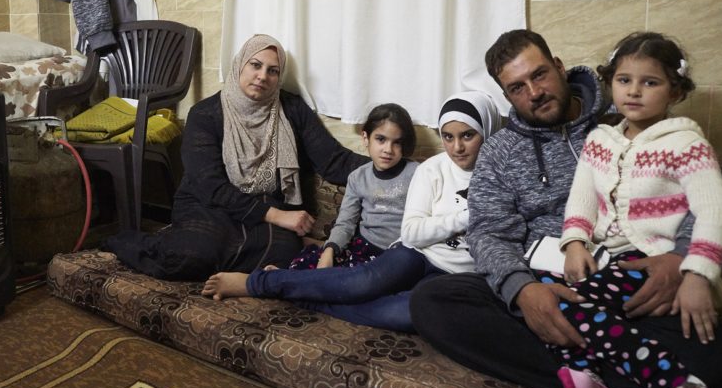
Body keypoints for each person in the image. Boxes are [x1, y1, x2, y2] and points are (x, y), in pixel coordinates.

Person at [409, 30, 722, 388]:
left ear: (560, 67)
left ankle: (597, 370)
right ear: (506, 96)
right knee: (433, 302)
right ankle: (615, 381)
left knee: (718, 358)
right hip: (543, 278)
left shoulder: (625, 119)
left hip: (628, 280)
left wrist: (679, 260)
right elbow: (487, 231)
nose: (533, 92)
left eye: (539, 75)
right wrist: (523, 292)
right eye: (517, 87)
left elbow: (718, 195)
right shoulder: (499, 151)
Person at [546, 32, 722, 388]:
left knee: (571, 304)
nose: (633, 91)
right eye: (623, 80)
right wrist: (575, 242)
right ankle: (594, 381)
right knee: (546, 293)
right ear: (610, 83)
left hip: (651, 264)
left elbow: (717, 211)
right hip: (604, 259)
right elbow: (581, 200)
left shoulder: (687, 144)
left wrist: (698, 276)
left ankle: (676, 385)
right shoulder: (598, 140)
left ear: (675, 91)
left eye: (650, 82)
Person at [201, 91, 502, 333]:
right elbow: (409, 232)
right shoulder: (432, 169)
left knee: (407, 316)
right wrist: (331, 247)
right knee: (360, 282)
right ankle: (258, 283)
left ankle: (305, 298)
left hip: (452, 274)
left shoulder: (501, 178)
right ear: (366, 137)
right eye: (448, 137)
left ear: (487, 132)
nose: (457, 147)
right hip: (413, 253)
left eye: (468, 136)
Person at [106, 34, 367, 281]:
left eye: (272, 70)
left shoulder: (292, 109)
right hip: (208, 204)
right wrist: (277, 216)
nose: (262, 76)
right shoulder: (205, 114)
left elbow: (334, 161)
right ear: (240, 64)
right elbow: (209, 185)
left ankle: (231, 272)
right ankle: (125, 240)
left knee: (283, 257)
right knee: (187, 256)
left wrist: (397, 167)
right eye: (255, 65)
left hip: (266, 201)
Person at [290, 103, 418, 270]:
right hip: (364, 247)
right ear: (366, 138)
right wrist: (329, 251)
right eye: (381, 139)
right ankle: (283, 278)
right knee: (303, 263)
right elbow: (345, 222)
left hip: (400, 254)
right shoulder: (358, 177)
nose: (388, 149)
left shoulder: (417, 173)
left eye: (397, 143)